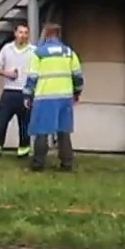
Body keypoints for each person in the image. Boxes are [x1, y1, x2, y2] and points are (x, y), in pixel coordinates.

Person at [25, 23, 83, 173]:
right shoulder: (69, 53)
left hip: (45, 96)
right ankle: (67, 163)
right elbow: (78, 76)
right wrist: (77, 92)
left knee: (42, 131)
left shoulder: (39, 53)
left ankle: (38, 164)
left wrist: (27, 95)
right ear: (59, 34)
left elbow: (32, 77)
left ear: (46, 34)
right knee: (64, 131)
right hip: (65, 97)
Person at [0, 24, 34, 157]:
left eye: (26, 33)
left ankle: (23, 150)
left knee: (24, 124)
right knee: (1, 122)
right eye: (20, 32)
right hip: (9, 91)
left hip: (25, 92)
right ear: (15, 33)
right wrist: (7, 73)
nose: (23, 35)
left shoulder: (33, 51)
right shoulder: (7, 49)